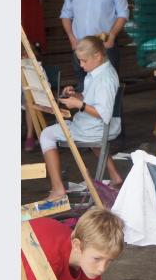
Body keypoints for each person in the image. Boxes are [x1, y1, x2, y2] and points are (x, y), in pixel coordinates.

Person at [38, 36, 124, 201]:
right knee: (91, 134)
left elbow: (103, 113)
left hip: (96, 127)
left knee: (46, 134)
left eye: (84, 61)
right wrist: (76, 95)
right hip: (96, 126)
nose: (81, 65)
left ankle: (57, 189)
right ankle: (115, 177)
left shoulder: (104, 79)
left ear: (98, 56)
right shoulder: (97, 72)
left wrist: (79, 104)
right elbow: (91, 98)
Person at [60, 0, 129, 92]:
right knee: (83, 87)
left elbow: (123, 13)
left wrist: (112, 37)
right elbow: (66, 15)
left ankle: (111, 116)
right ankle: (86, 115)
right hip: (80, 46)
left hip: (104, 44)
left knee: (108, 88)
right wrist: (72, 39)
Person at [22, 207, 125, 280]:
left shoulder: (88, 255)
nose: (102, 269)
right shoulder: (49, 262)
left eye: (109, 261)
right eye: (97, 259)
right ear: (77, 245)